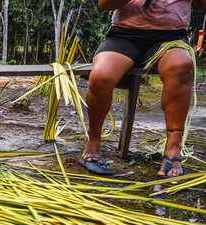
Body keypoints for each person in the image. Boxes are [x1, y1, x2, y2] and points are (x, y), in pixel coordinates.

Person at [80, 0, 206, 177]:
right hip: (124, 36)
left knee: (182, 66)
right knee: (102, 75)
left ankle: (173, 148)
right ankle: (93, 141)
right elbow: (104, 4)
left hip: (170, 38)